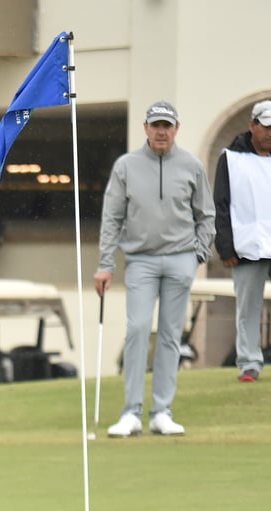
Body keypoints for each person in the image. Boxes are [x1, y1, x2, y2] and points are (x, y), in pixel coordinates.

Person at [94, 101, 215, 437]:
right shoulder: (126, 166)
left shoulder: (191, 165)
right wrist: (105, 264)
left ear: (176, 129)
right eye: (156, 125)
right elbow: (112, 218)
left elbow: (206, 215)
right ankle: (131, 413)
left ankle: (162, 411)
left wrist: (197, 255)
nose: (162, 132)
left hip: (180, 259)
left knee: (170, 335)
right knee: (137, 330)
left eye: (167, 126)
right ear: (146, 128)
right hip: (141, 260)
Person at [213, 100, 271, 382]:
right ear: (252, 125)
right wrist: (225, 246)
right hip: (246, 245)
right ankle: (249, 363)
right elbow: (221, 204)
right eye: (266, 126)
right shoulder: (230, 158)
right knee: (248, 307)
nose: (270, 132)